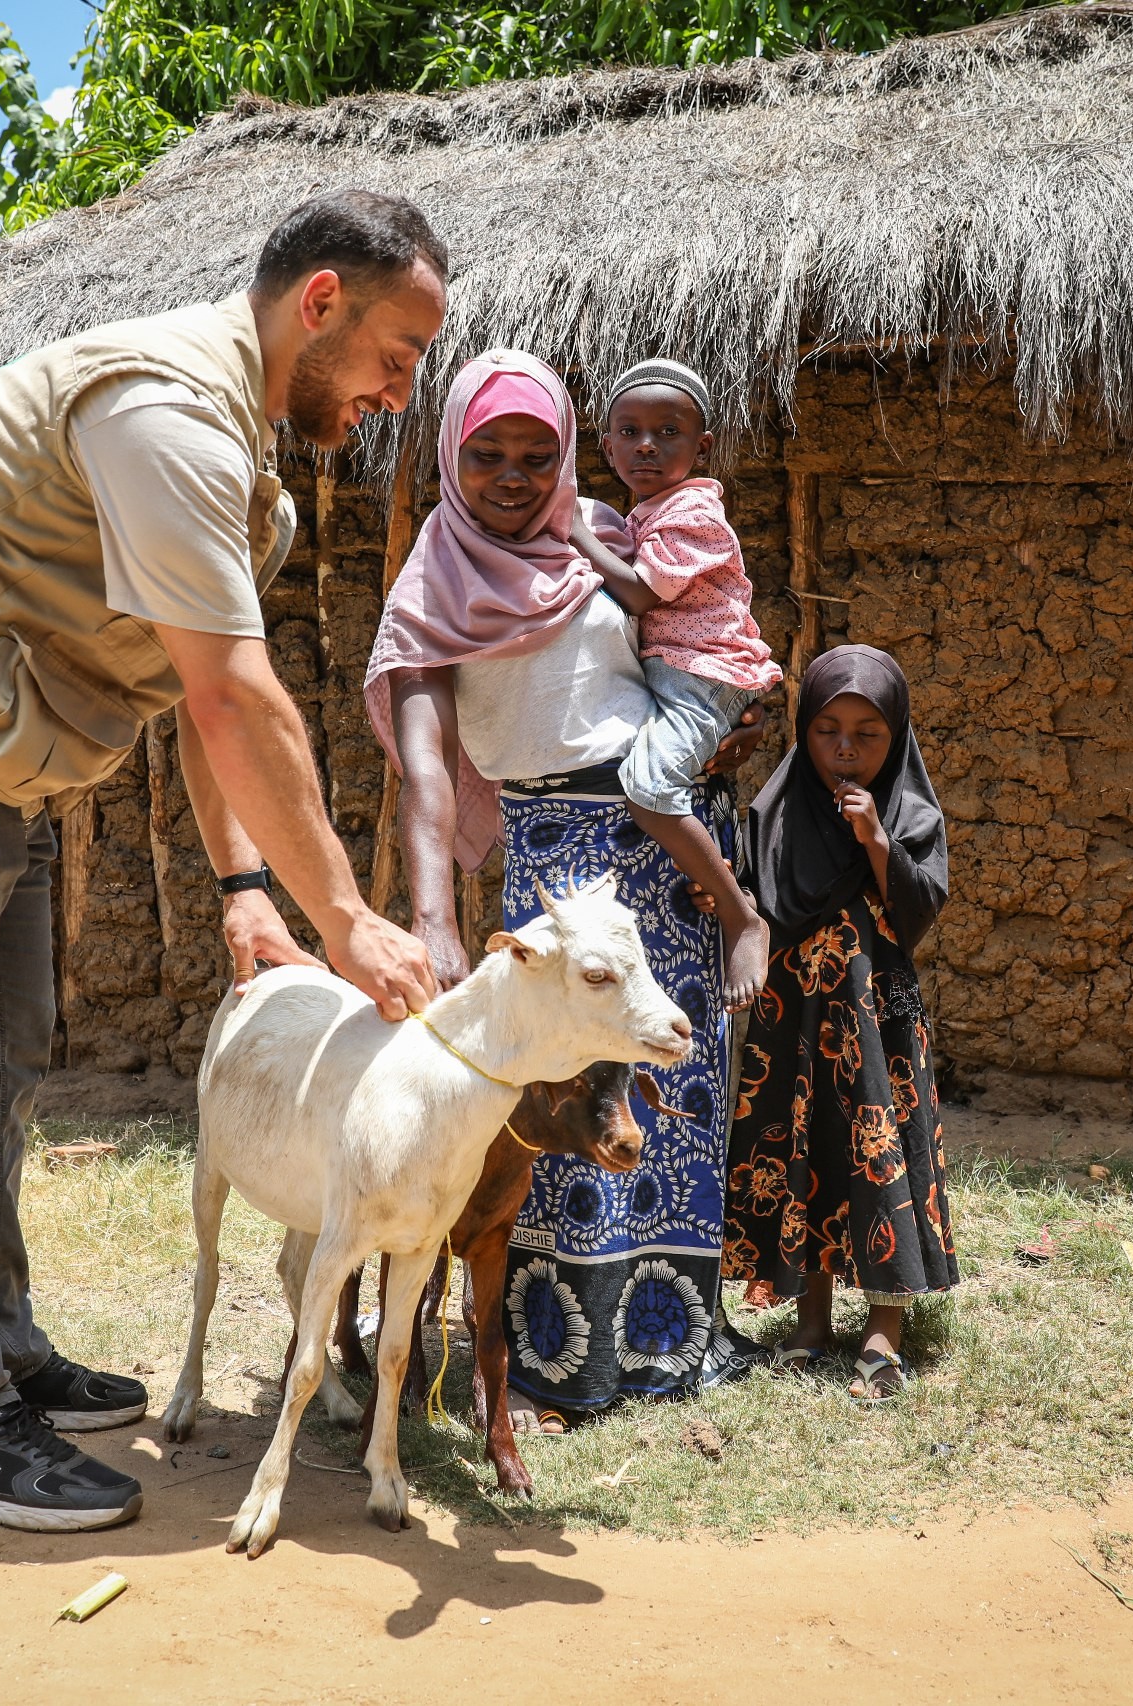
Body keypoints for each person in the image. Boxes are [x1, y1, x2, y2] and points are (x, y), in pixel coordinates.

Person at [0, 190, 447, 1532]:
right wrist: (343, 916)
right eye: (396, 359)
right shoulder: (169, 413)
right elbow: (242, 699)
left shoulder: (247, 479)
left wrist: (245, 891)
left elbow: (192, 700)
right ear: (323, 306)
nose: (398, 394)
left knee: (0, 1061)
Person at [364, 350, 763, 1427]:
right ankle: (558, 1355)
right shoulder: (434, 581)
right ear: (452, 453)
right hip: (558, 864)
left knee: (672, 1086)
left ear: (566, 452)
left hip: (661, 841)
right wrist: (436, 912)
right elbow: (429, 772)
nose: (511, 474)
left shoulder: (602, 527)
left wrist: (724, 720)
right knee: (558, 1100)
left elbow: (700, 624)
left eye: (535, 454)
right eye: (487, 452)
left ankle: (670, 1344)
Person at [724, 644, 958, 1400]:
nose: (846, 749)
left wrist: (877, 842)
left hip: (876, 1022)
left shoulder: (909, 812)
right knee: (808, 1148)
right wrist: (723, 900)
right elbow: (753, 900)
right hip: (792, 1017)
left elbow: (922, 907)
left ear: (897, 738)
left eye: (868, 733)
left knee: (877, 1151)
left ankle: (885, 1328)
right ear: (804, 731)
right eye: (827, 730)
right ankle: (811, 1319)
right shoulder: (774, 814)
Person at [565, 359, 782, 1014]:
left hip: (699, 674)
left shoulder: (692, 513)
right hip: (681, 674)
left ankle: (742, 917)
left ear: (702, 446)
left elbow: (636, 590)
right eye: (629, 433)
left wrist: (575, 534)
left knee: (651, 789)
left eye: (667, 432)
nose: (647, 446)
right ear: (606, 447)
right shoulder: (643, 515)